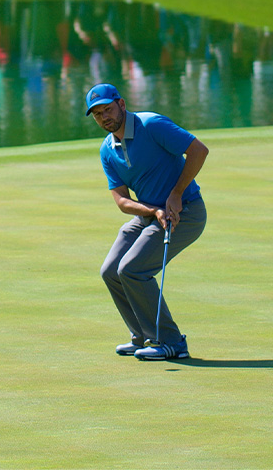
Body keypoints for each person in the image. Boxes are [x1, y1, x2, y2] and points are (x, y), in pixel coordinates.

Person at [86, 83, 208, 361]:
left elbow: (199, 150)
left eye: (108, 109)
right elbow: (121, 201)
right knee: (111, 270)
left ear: (122, 104)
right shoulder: (108, 149)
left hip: (185, 212)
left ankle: (172, 342)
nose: (105, 117)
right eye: (97, 114)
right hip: (151, 216)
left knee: (132, 269)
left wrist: (175, 194)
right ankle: (142, 335)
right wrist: (152, 211)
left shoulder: (151, 125)